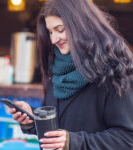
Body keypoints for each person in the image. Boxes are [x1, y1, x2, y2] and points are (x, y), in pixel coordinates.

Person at [9, 0, 133, 149]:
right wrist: (33, 119)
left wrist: (74, 142)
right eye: (50, 32)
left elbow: (128, 138)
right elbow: (59, 130)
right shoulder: (56, 66)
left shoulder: (114, 70)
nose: (53, 39)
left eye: (60, 29)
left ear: (80, 24)